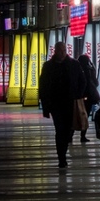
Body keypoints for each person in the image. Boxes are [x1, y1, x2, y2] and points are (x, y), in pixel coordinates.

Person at [39, 41, 86, 169]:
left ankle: (63, 153)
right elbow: (43, 86)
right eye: (60, 50)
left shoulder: (73, 65)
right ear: (55, 51)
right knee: (60, 130)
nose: (62, 53)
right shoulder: (48, 66)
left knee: (67, 130)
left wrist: (78, 96)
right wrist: (45, 106)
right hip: (56, 104)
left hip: (70, 103)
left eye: (64, 50)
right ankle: (62, 157)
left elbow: (83, 81)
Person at [77, 54, 100, 143]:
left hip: (78, 96)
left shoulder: (76, 70)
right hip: (89, 96)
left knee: (76, 115)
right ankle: (83, 136)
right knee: (86, 116)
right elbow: (96, 83)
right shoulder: (90, 70)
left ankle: (70, 135)